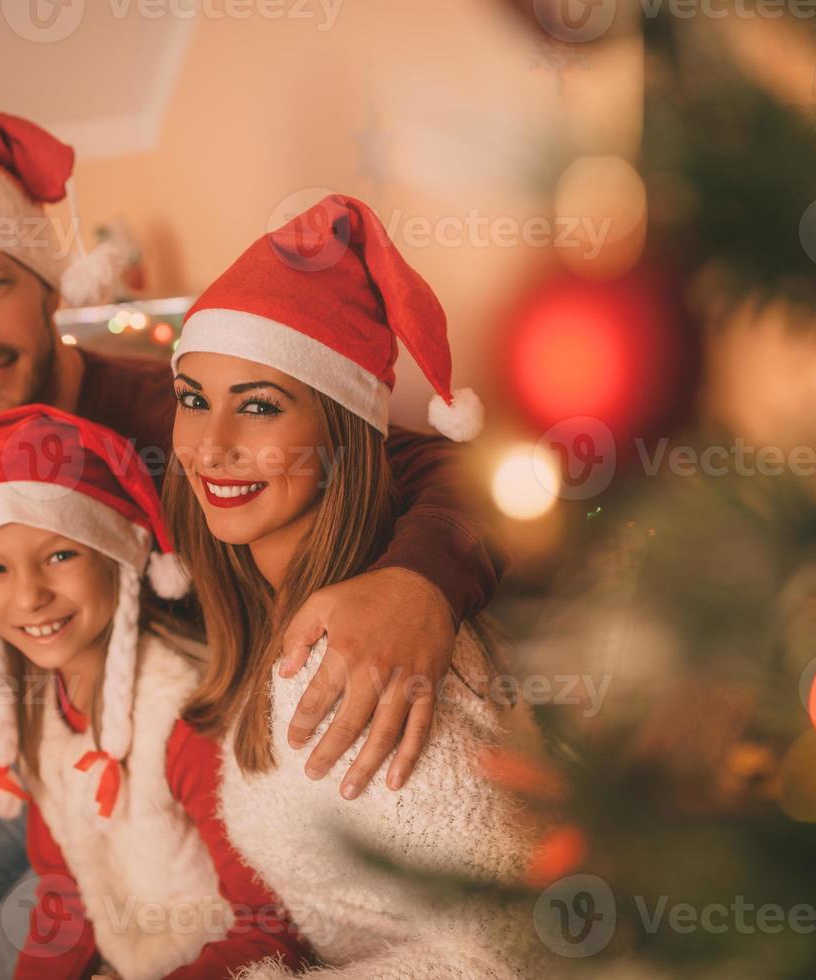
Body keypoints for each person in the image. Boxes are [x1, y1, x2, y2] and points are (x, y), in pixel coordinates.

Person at [0, 109, 507, 980]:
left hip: (188, 775)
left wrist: (418, 581)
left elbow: (437, 468)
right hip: (32, 761)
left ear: (47, 281)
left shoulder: (189, 418)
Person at [163, 194, 549, 977]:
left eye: (260, 408)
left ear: (340, 437)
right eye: (193, 400)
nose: (211, 446)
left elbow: (508, 949)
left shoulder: (371, 656)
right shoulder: (269, 624)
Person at [0, 402, 312, 979]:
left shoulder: (186, 722)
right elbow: (66, 887)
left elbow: (275, 931)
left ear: (119, 558)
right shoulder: (42, 716)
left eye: (60, 555)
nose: (28, 597)